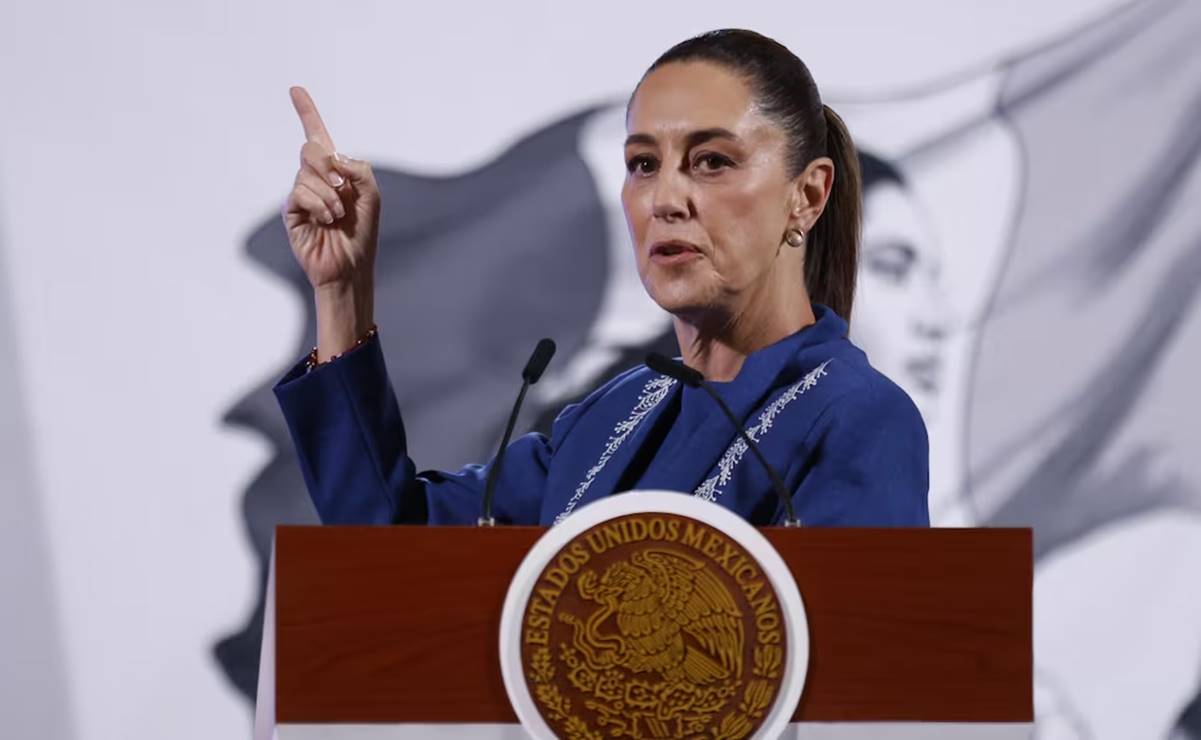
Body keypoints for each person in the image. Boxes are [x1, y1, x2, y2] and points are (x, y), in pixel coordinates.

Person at [274, 29, 930, 527]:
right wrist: (343, 289)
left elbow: (863, 681)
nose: (664, 198)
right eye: (643, 164)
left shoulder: (855, 417)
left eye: (710, 161)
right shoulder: (614, 413)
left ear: (806, 197)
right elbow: (391, 542)